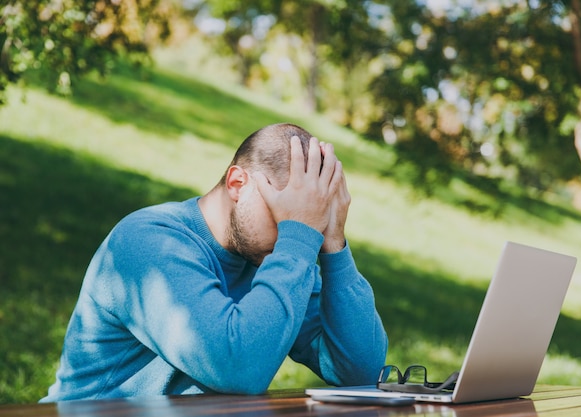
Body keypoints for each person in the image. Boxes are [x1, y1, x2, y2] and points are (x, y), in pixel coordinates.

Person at [41, 123, 388, 402]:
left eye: (308, 219)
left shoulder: (278, 257)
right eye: (286, 215)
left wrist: (333, 244)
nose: (295, 235)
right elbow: (238, 368)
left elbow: (361, 373)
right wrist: (296, 238)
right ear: (238, 183)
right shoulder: (148, 241)